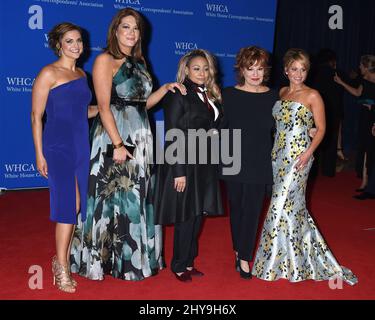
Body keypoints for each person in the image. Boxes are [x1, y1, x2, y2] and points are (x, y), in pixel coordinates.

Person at [70, 8, 186, 281]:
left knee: (136, 197)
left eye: (136, 28)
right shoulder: (105, 60)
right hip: (114, 136)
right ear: (115, 30)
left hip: (141, 135)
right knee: (109, 197)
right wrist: (118, 144)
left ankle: (131, 260)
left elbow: (141, 104)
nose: (131, 32)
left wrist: (165, 88)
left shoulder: (141, 60)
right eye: (126, 27)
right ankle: (102, 261)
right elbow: (103, 105)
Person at [252, 48, 358, 285]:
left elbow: (321, 129)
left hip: (299, 156)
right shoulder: (281, 92)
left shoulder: (313, 95)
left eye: (303, 69)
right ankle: (292, 259)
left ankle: (271, 263)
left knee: (279, 205)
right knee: (293, 209)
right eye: (294, 69)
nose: (299, 74)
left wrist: (308, 153)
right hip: (278, 156)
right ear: (286, 70)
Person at [31, 22, 98, 293]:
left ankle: (61, 260)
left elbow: (82, 112)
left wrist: (107, 109)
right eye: (69, 41)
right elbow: (37, 116)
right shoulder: (48, 73)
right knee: (70, 204)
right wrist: (39, 154)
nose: (76, 46)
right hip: (57, 145)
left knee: (76, 207)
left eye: (79, 40)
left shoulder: (83, 74)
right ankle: (62, 267)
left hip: (81, 144)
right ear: (58, 44)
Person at [153, 49, 224, 282]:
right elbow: (173, 133)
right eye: (196, 68)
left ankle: (189, 261)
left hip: (205, 163)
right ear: (186, 70)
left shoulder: (210, 95)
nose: (202, 73)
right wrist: (179, 171)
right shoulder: (178, 94)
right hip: (184, 162)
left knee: (197, 214)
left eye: (205, 68)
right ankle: (178, 264)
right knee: (186, 216)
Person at [220, 46, 278, 279]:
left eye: (260, 69)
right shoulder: (228, 95)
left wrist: (310, 129)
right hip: (232, 158)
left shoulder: (274, 96)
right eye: (250, 68)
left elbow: (288, 122)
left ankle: (244, 257)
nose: (255, 73)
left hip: (260, 160)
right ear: (241, 70)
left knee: (253, 210)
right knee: (236, 208)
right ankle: (238, 249)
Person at [334, 55, 375, 191]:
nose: (359, 67)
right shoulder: (364, 80)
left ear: (367, 67)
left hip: (373, 116)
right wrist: (341, 83)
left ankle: (369, 181)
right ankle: (364, 181)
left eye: (361, 66)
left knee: (371, 149)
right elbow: (358, 93)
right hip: (365, 117)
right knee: (364, 147)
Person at [312, 49, 345, 177]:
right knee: (331, 142)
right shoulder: (338, 73)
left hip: (316, 109)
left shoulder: (314, 73)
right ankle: (328, 171)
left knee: (314, 139)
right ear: (332, 61)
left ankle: (313, 172)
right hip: (334, 111)